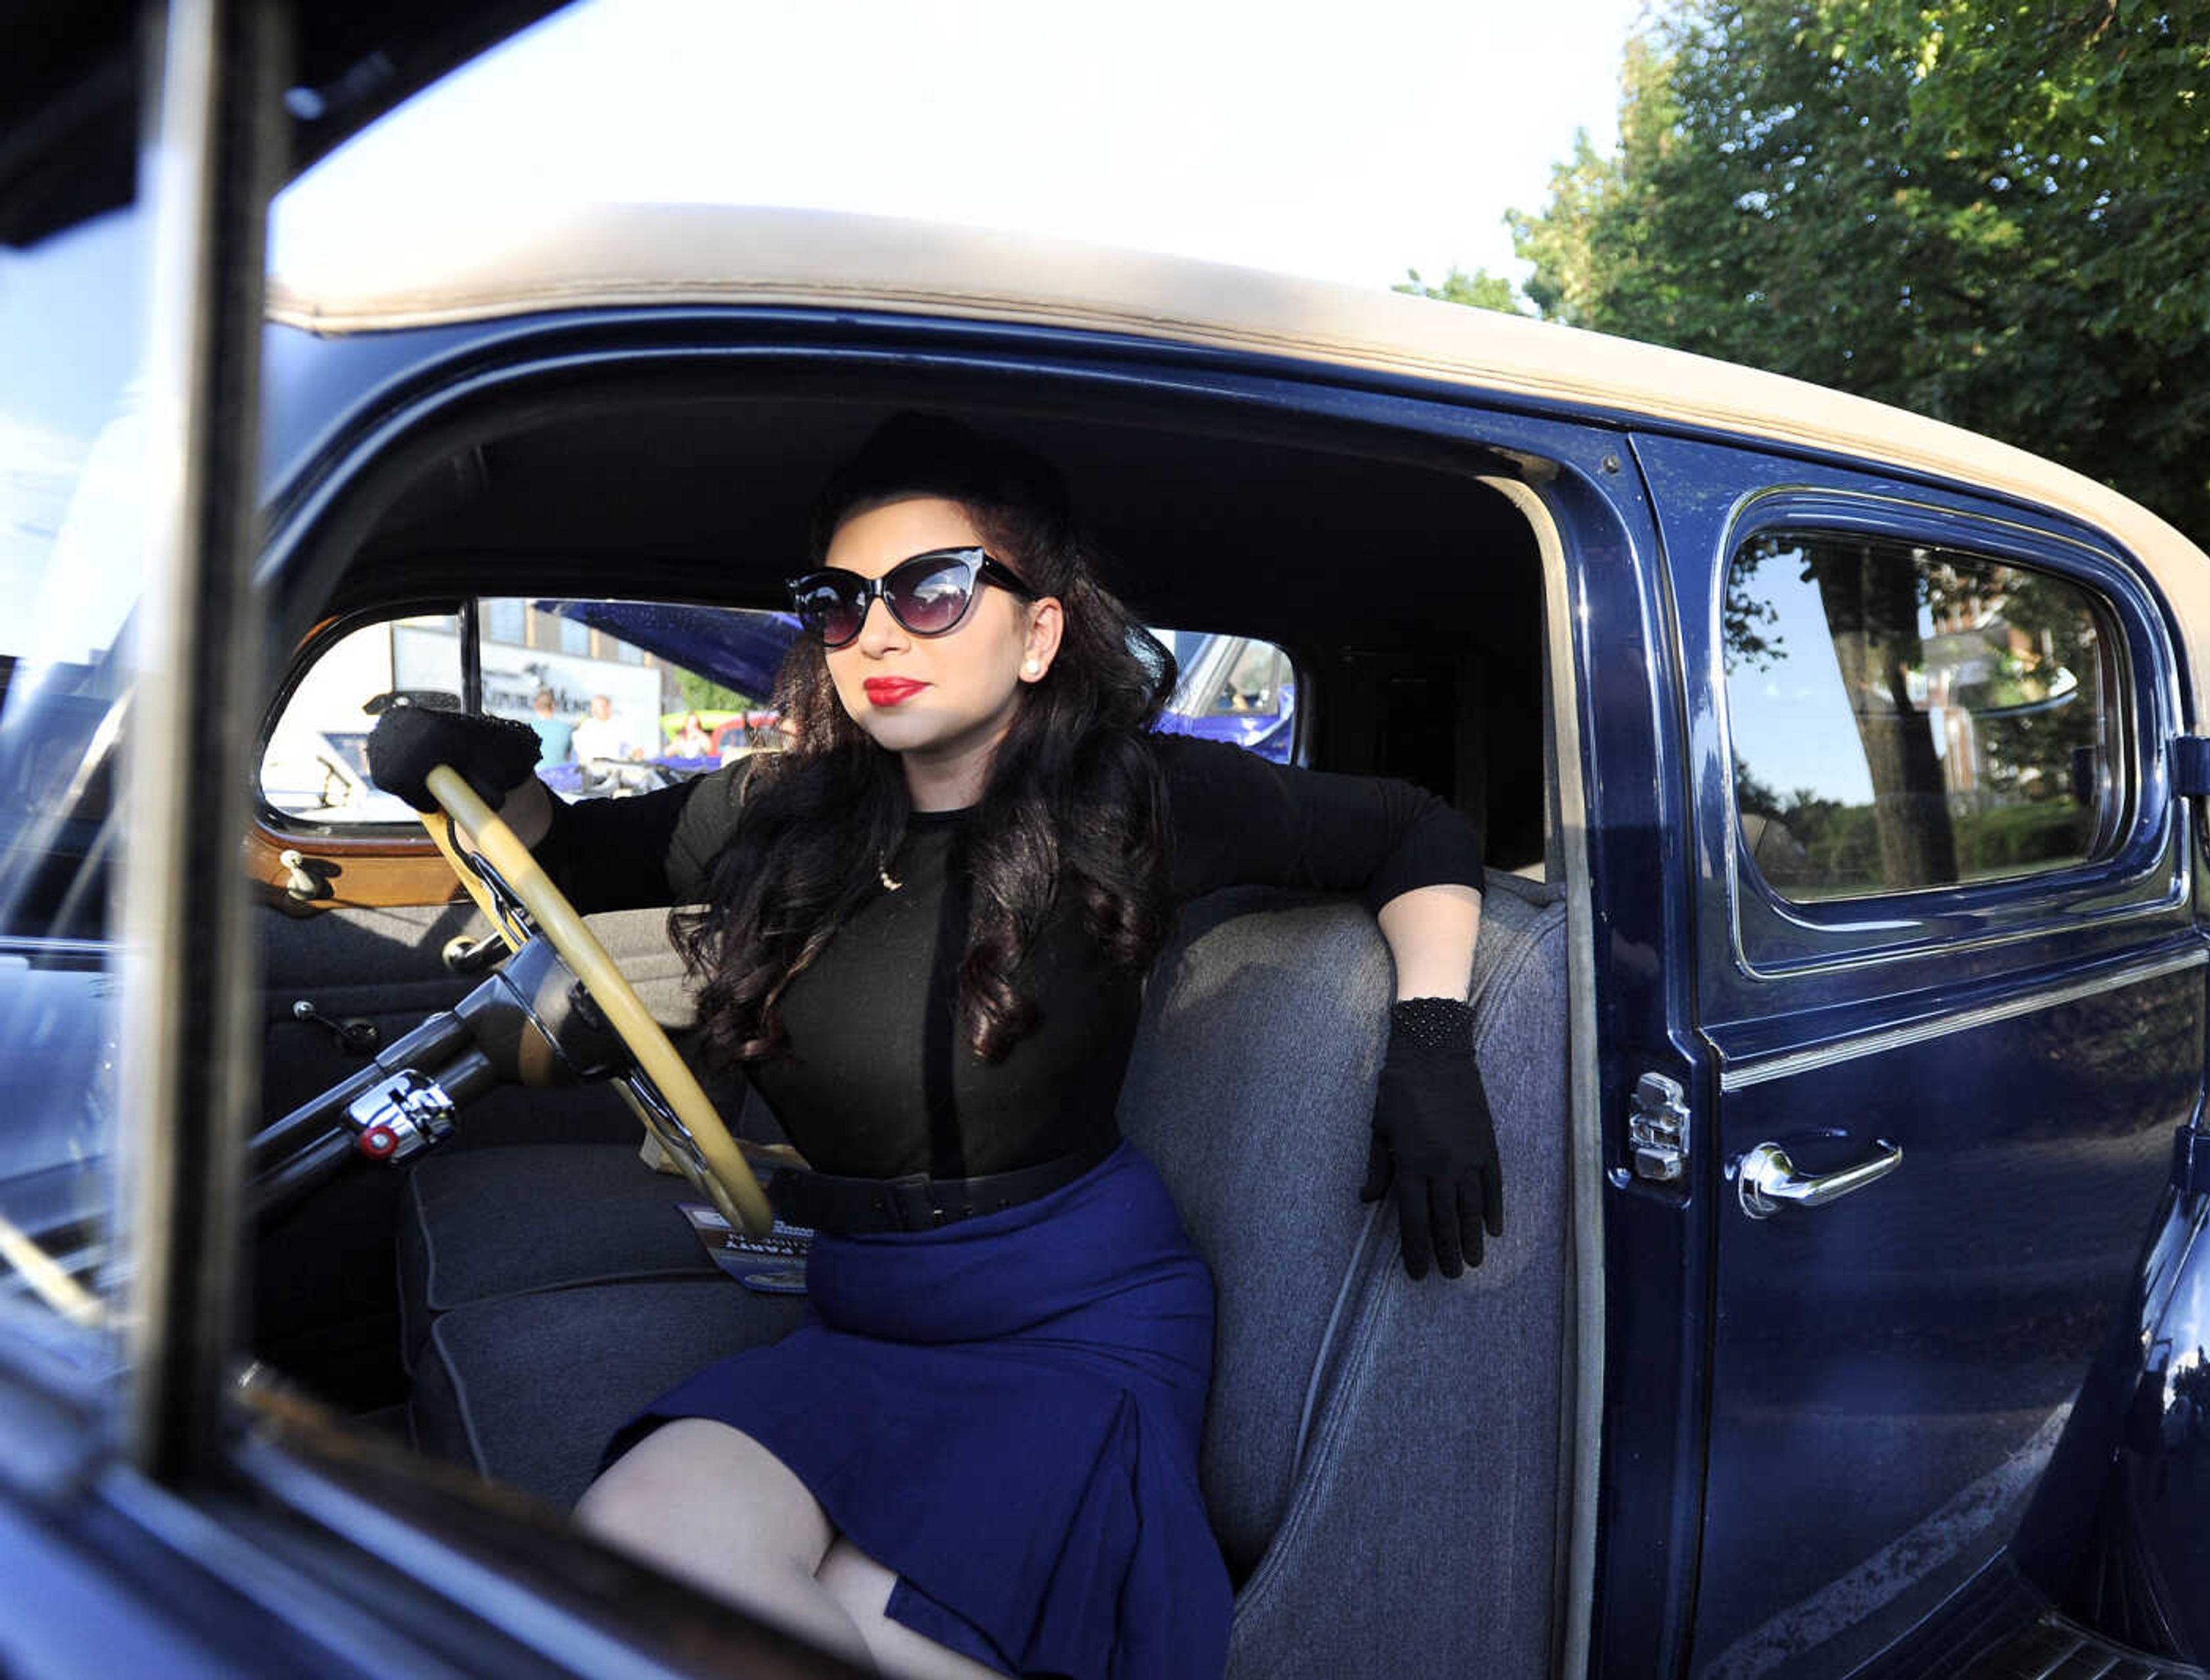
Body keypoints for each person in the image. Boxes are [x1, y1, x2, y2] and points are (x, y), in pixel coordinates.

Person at [365, 413, 1498, 1680]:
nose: (879, 632)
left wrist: (1434, 1041)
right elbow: (561, 857)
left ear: (1040, 631)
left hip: (1072, 1325)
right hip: (859, 1317)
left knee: (885, 1628)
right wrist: (449, 762)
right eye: (840, 603)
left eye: (934, 590)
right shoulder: (764, 814)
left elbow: (1416, 830)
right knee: (632, 1558)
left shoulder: (1136, 798)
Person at [571, 692, 646, 766]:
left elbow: (638, 750)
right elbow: (579, 752)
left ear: (608, 708)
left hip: (618, 769)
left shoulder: (623, 725)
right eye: (593, 708)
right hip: (592, 770)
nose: (594, 711)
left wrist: (635, 759)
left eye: (598, 708)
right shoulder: (587, 725)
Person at [526, 686, 575, 769]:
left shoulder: (527, 729)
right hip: (559, 776)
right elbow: (571, 756)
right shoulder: (567, 729)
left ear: (535, 706)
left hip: (535, 777)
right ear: (554, 706)